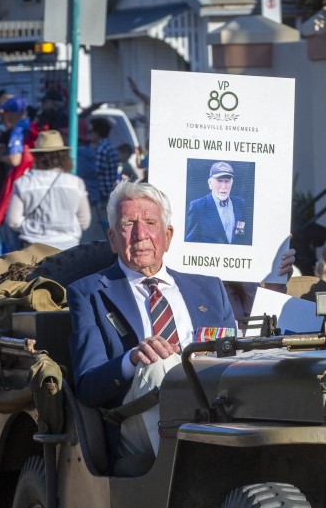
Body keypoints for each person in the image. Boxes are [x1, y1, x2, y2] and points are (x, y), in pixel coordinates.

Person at [67, 180, 236, 460]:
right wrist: (132, 360)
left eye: (150, 222)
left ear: (168, 236)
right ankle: (195, 467)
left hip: (211, 413)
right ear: (112, 238)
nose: (140, 234)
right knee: (157, 363)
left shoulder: (210, 288)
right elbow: (87, 387)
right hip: (131, 424)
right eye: (128, 224)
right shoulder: (88, 293)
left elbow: (233, 358)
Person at [8, 130, 92, 251]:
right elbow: (84, 221)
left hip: (32, 248)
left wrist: (31, 227)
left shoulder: (23, 183)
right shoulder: (76, 183)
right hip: (68, 248)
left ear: (37, 156)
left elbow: (13, 221)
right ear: (64, 156)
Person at [184, 161, 251, 245]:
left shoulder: (240, 204)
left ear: (232, 183)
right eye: (219, 181)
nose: (224, 186)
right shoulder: (198, 207)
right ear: (210, 183)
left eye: (227, 181)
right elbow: (190, 243)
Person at [91, 116, 120, 215]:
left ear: (97, 132)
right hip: (109, 191)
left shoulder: (101, 149)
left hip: (102, 193)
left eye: (91, 131)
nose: (89, 134)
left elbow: (95, 171)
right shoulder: (110, 147)